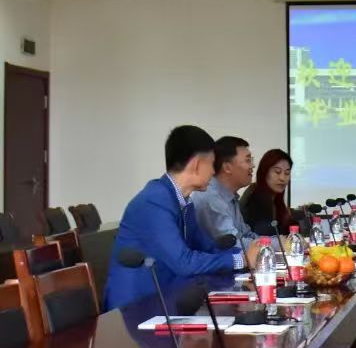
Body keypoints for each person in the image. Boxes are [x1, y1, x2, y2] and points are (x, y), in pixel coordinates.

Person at [104, 125, 261, 311]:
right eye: (212, 164)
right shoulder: (154, 201)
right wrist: (242, 260)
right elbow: (184, 262)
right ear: (197, 164)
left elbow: (208, 247)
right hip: (135, 306)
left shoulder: (183, 201)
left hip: (169, 297)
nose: (214, 172)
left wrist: (247, 255)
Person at [191, 136, 260, 251]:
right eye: (248, 160)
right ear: (227, 167)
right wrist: (270, 245)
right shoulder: (209, 197)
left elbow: (246, 235)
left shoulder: (230, 197)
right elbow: (235, 245)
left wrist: (276, 242)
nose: (253, 166)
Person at [241, 149, 293, 236]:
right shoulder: (256, 197)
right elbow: (264, 236)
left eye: (287, 173)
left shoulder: (274, 197)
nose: (282, 178)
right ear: (264, 172)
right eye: (277, 172)